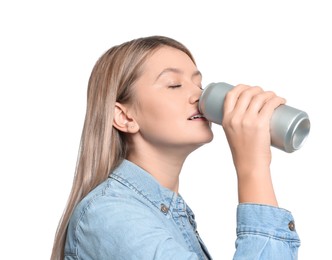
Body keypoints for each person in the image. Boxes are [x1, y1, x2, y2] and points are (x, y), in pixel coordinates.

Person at [50, 35, 300, 260]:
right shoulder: (110, 215)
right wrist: (252, 167)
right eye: (174, 85)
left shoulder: (164, 212)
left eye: (199, 85)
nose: (198, 97)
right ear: (124, 117)